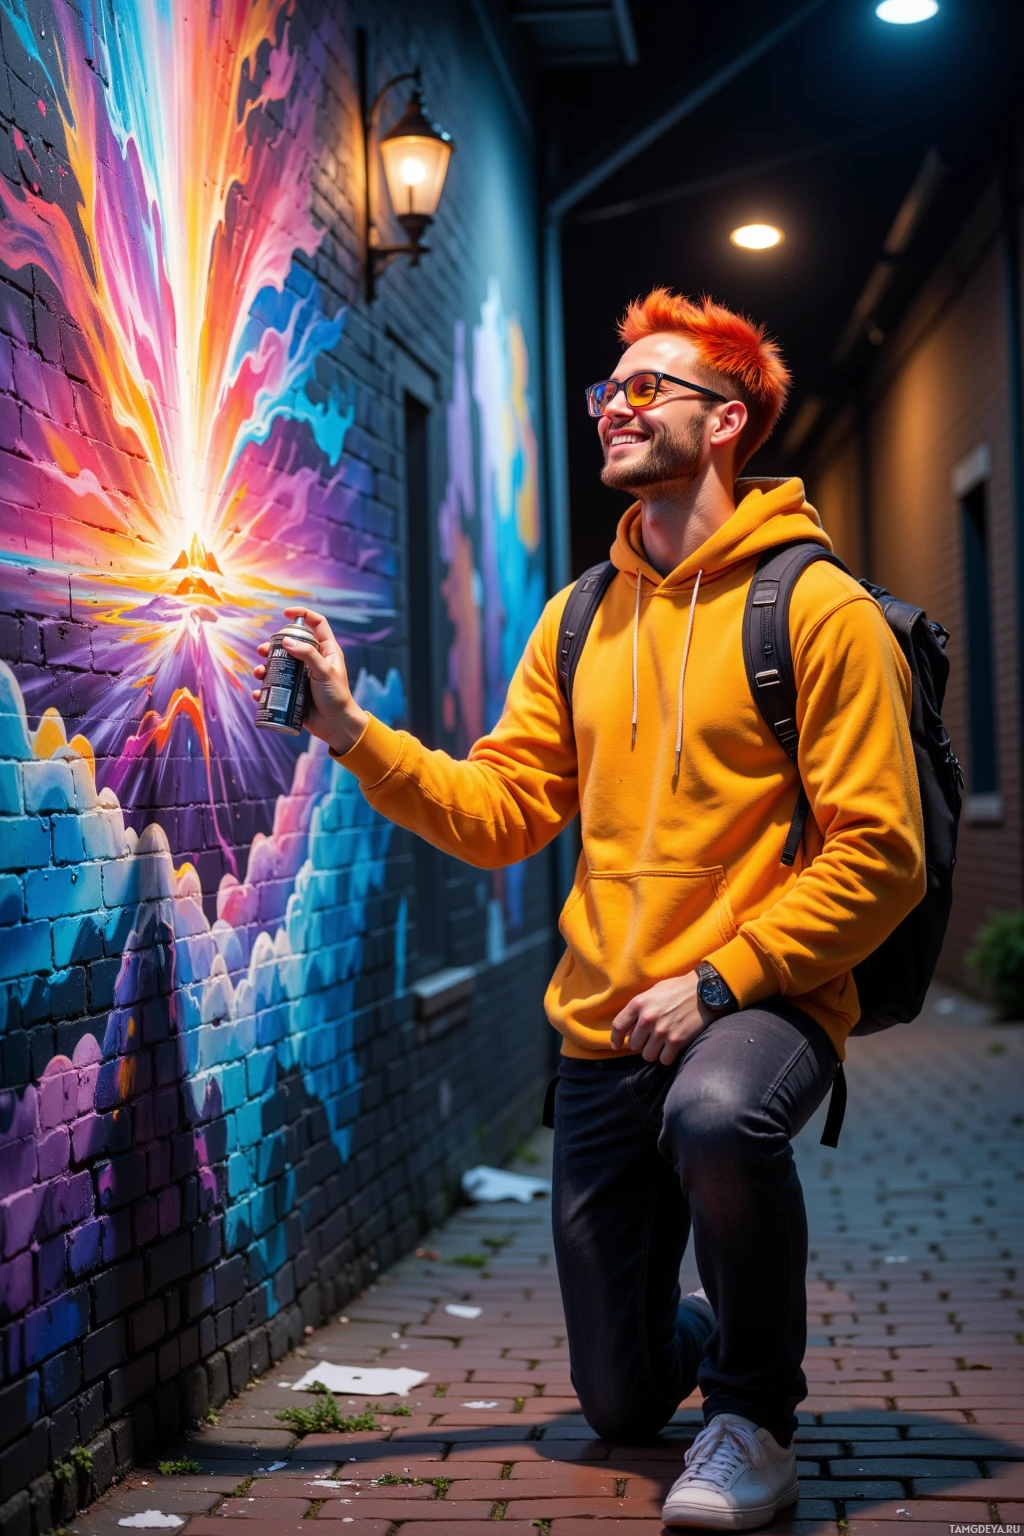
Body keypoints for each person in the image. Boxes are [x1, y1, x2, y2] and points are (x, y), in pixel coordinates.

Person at [252, 287, 925, 1530]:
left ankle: (752, 1418)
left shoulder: (816, 611)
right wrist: (350, 732)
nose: (612, 407)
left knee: (721, 1120)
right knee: (616, 1400)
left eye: (644, 388)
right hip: (605, 1025)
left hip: (756, 998)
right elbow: (505, 809)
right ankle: (710, 1326)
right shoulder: (577, 621)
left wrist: (724, 978)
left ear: (726, 422)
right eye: (604, 389)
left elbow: (882, 855)